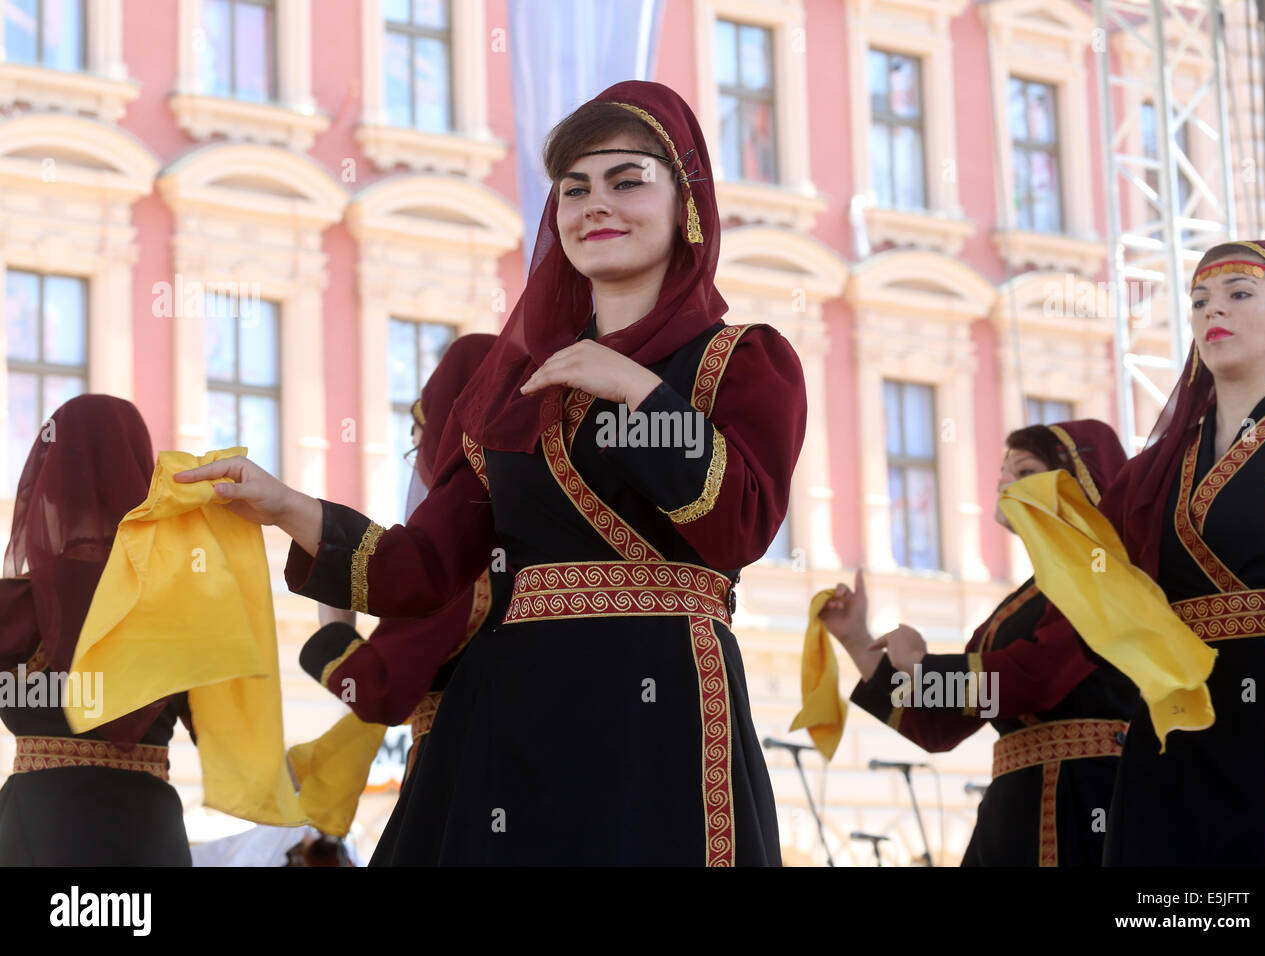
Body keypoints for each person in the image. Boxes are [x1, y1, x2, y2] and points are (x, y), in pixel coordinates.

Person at [176, 80, 805, 866]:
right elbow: (424, 568)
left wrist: (641, 394)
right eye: (573, 189)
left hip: (664, 706)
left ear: (686, 200)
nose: (594, 205)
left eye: (626, 180)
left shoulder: (742, 360)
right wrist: (287, 507)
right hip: (511, 717)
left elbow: (738, 528)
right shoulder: (513, 390)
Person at [1066, 239, 1265, 866]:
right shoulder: (1159, 468)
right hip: (1175, 714)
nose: (1210, 310)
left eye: (1239, 294)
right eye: (1198, 300)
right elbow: (1107, 591)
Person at [821, 420, 1137, 866]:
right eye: (1002, 474)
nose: (1006, 483)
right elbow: (940, 725)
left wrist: (923, 667)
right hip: (1014, 814)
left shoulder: (1107, 576)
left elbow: (1036, 677)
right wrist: (858, 639)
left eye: (1025, 471)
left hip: (1086, 803)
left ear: (1083, 482)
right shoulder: (1018, 606)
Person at [298, 333, 512, 864]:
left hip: (459, 787)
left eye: (423, 437)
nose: (418, 460)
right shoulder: (544, 540)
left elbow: (376, 689)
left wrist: (336, 626)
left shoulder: (461, 558)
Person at [0, 395, 191, 865]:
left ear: (49, 482)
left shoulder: (12, 605)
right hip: (149, 835)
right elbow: (223, 733)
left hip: (38, 833)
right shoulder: (182, 609)